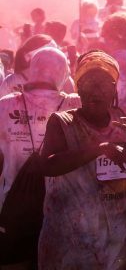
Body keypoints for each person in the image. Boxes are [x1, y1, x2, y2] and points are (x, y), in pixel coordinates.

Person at [37, 50, 126, 269]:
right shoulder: (62, 122)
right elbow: (48, 165)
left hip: (118, 242)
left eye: (105, 83)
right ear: (78, 88)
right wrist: (99, 149)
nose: (97, 90)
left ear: (114, 89)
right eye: (89, 82)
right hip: (70, 243)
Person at [0, 47, 80, 267]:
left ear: (32, 70)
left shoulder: (5, 104)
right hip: (63, 208)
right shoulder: (75, 104)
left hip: (14, 205)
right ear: (64, 74)